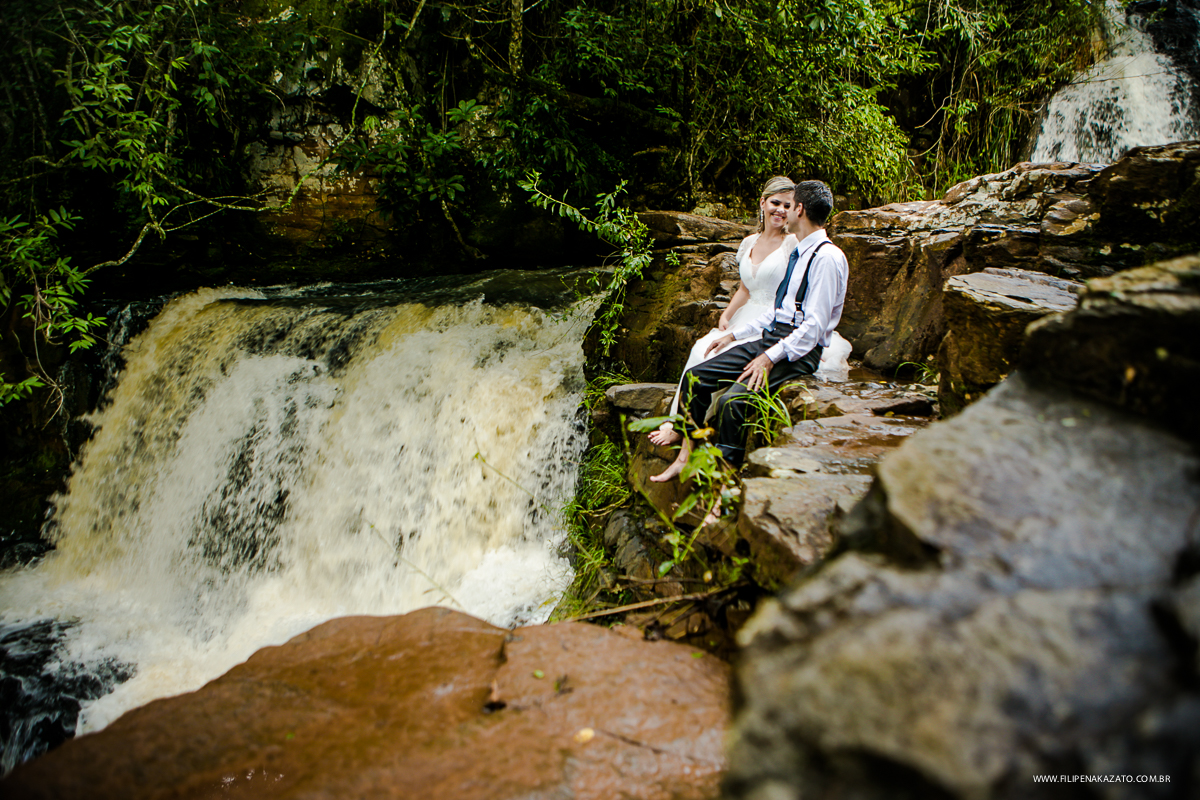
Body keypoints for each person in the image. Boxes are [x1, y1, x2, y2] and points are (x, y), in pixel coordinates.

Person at [650, 179, 849, 483]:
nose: (783, 210)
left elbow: (813, 327)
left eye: (789, 203)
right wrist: (735, 334)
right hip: (771, 337)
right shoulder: (800, 253)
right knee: (695, 377)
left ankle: (725, 482)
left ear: (800, 209)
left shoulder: (826, 257)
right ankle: (684, 456)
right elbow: (779, 309)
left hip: (799, 352)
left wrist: (768, 358)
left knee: (733, 401)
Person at [647, 176, 799, 452]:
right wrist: (727, 315)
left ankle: (690, 427)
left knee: (721, 357)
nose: (780, 210)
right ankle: (681, 424)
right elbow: (744, 288)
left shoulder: (792, 245)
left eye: (787, 205)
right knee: (701, 349)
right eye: (775, 202)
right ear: (763, 203)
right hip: (746, 314)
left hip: (771, 319)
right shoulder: (749, 242)